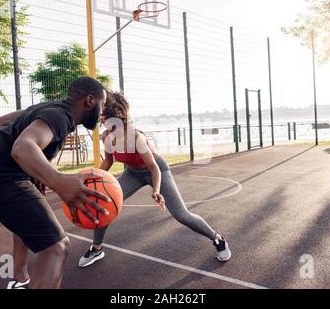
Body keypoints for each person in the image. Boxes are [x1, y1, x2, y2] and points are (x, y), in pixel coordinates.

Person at [0, 77, 111, 289]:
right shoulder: (61, 116)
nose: (103, 112)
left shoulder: (48, 108)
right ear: (90, 100)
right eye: (103, 104)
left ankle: (19, 279)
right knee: (57, 246)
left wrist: (35, 168)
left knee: (28, 218)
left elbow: (1, 121)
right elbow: (22, 148)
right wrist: (59, 181)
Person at [78, 91, 231, 268]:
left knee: (182, 215)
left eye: (104, 112)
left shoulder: (135, 136)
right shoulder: (106, 136)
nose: (101, 117)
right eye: (100, 113)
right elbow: (108, 161)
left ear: (115, 112)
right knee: (103, 207)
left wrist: (156, 190)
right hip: (133, 173)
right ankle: (96, 248)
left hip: (157, 169)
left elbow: (153, 168)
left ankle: (217, 239)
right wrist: (92, 179)